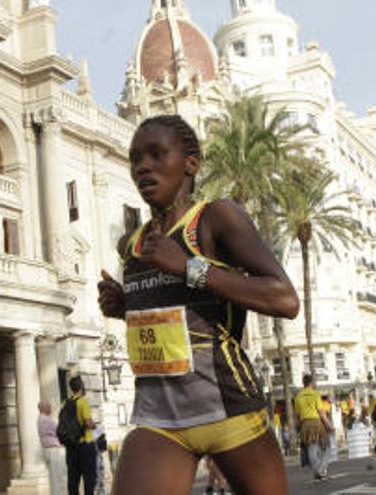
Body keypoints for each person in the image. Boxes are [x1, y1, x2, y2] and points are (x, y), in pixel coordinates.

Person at [100, 115, 299, 494]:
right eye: (135, 159)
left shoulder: (215, 219)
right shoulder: (132, 244)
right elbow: (176, 313)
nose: (143, 166)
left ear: (191, 163)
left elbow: (284, 298)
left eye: (157, 154)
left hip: (229, 407)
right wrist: (126, 306)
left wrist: (189, 266)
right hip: (160, 416)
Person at [294, 374, 332, 480]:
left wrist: (297, 428)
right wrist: (329, 425)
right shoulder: (315, 394)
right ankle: (320, 470)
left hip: (305, 424)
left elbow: (296, 415)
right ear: (311, 383)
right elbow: (321, 412)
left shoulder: (298, 396)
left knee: (312, 449)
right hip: (316, 423)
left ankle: (317, 472)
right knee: (327, 447)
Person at [63, 376, 96, 495]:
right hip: (85, 444)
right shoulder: (83, 402)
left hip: (71, 446)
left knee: (73, 479)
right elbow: (87, 422)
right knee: (89, 478)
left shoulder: (65, 403)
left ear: (71, 388)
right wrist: (94, 425)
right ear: (81, 386)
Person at [37, 401, 66, 495]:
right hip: (54, 450)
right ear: (44, 408)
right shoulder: (47, 420)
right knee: (58, 478)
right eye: (49, 407)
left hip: (49, 450)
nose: (51, 409)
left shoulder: (41, 419)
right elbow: (61, 431)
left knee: (54, 478)